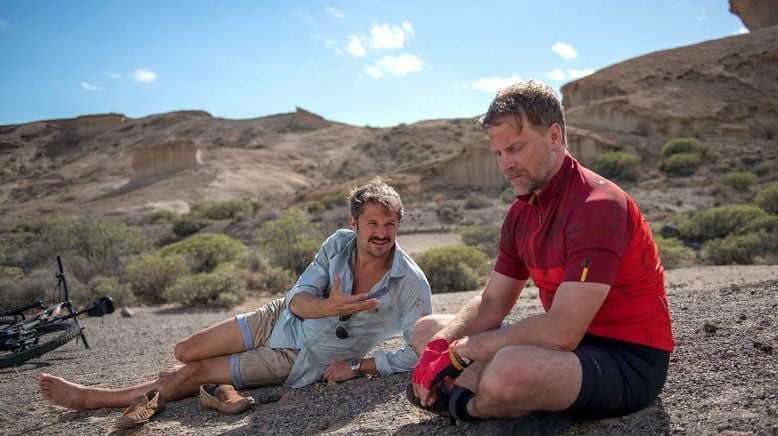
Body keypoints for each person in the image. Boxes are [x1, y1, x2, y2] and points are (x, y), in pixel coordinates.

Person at [40, 176, 432, 411]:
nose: (381, 232)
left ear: (399, 225)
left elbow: (418, 352)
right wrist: (326, 306)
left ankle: (95, 398)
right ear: (354, 222)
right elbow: (299, 295)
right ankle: (212, 382)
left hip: (301, 355)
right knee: (185, 350)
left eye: (390, 224)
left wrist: (359, 366)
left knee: (192, 372)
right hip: (281, 316)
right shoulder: (339, 242)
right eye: (373, 222)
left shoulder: (410, 284)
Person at [408, 81, 674, 423]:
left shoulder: (598, 206)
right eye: (499, 153)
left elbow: (563, 330)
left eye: (516, 148)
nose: (506, 164)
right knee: (427, 330)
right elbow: (492, 303)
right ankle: (521, 405)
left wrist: (462, 353)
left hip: (627, 361)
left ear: (553, 136)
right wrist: (440, 347)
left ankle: (464, 406)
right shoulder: (521, 213)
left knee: (508, 370)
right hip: (562, 351)